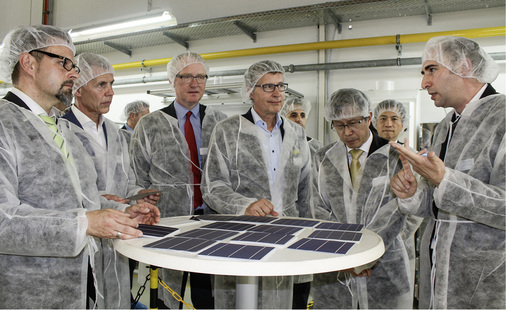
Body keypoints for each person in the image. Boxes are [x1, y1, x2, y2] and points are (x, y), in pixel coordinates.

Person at [0, 25, 160, 309]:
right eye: (65, 63)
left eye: (74, 66)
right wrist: (85, 223)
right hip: (28, 289)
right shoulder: (5, 125)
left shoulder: (62, 128)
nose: (74, 73)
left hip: (79, 283)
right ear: (28, 63)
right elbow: (3, 220)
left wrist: (121, 212)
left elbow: (81, 198)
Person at [390, 36, 505, 309]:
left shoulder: (502, 118)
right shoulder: (446, 126)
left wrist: (445, 180)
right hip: (438, 281)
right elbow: (438, 207)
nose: (424, 83)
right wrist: (414, 194)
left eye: (432, 69)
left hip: (485, 283)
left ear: (464, 66)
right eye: (423, 73)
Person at [201, 60, 313, 309]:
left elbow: (305, 191)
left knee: (283, 301)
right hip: (241, 234)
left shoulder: (296, 133)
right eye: (268, 87)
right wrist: (245, 205)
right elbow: (212, 186)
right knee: (240, 301)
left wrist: (307, 235)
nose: (277, 93)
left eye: (281, 86)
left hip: (288, 233)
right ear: (250, 91)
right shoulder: (228, 130)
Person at [130, 51, 227, 309]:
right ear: (173, 80)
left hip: (212, 218)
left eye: (200, 77)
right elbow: (136, 171)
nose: (194, 83)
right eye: (186, 76)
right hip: (168, 218)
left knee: (208, 291)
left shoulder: (220, 123)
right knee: (167, 289)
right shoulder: (150, 124)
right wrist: (142, 193)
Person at [63, 53, 160, 308]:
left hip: (117, 237)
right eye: (101, 85)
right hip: (79, 241)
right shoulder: (61, 128)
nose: (110, 92)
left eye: (112, 84)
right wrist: (118, 206)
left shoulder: (116, 134)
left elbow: (124, 182)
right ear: (78, 90)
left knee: (118, 297)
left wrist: (138, 195)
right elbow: (65, 194)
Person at [311, 88, 411, 309]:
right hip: (335, 263)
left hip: (383, 264)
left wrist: (365, 255)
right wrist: (345, 255)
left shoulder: (394, 156)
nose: (347, 132)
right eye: (339, 125)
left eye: (354, 123)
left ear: (369, 118)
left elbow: (396, 211)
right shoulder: (323, 159)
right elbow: (317, 208)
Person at [373, 99, 422, 300]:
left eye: (394, 119)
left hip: (400, 244)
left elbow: (418, 206)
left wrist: (395, 236)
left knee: (398, 299)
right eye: (383, 118)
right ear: (374, 122)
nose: (388, 124)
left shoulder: (412, 158)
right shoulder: (367, 156)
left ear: (403, 124)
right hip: (370, 241)